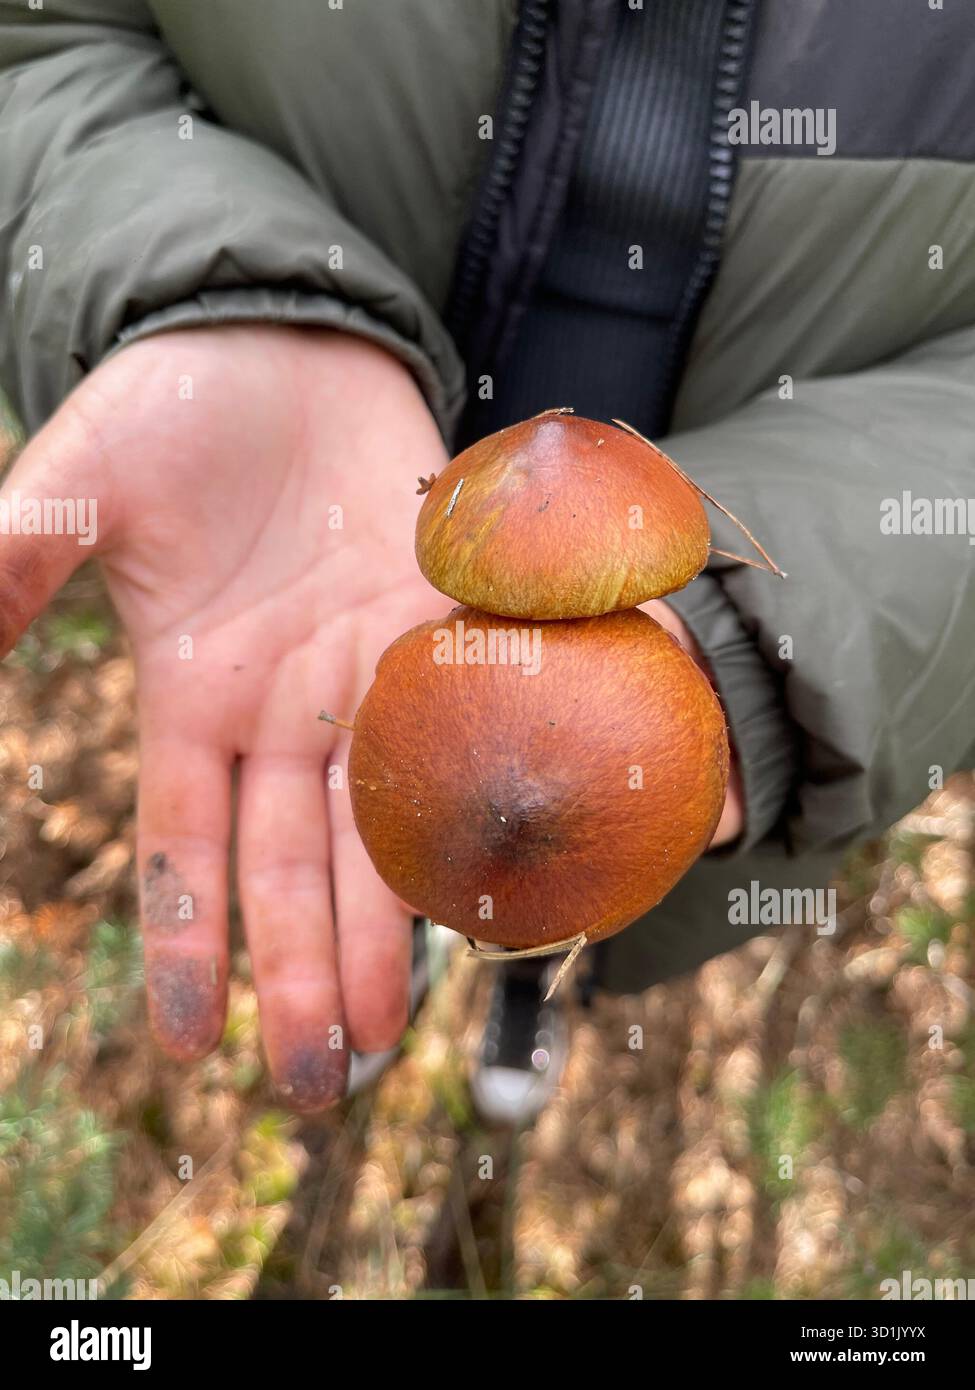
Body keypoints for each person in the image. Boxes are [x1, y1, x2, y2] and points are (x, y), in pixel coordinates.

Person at [1, 0, 973, 1122]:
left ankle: (528, 977)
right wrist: (205, 286)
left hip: (678, 571)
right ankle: (409, 944)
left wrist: (779, 634)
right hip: (380, 505)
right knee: (430, 798)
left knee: (563, 823)